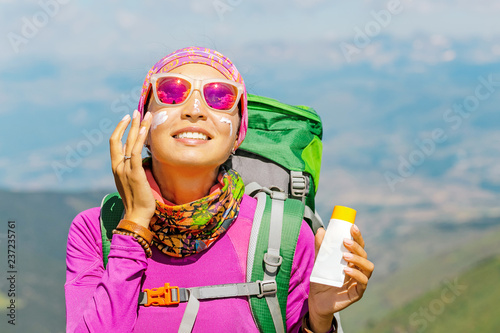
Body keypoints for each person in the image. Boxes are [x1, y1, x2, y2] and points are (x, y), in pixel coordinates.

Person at [65, 46, 374, 332]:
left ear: (237, 135)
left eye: (220, 97)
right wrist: (133, 226)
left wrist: (318, 320)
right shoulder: (98, 231)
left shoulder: (284, 234)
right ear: (142, 124)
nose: (195, 109)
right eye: (172, 92)